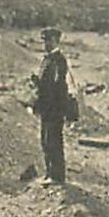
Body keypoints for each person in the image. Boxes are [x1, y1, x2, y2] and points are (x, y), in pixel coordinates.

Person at [31, 26, 74, 184]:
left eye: (49, 41)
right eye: (45, 41)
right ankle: (49, 173)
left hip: (54, 108)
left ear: (56, 41)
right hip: (46, 107)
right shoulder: (47, 59)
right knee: (45, 140)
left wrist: (40, 84)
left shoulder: (58, 60)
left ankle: (57, 176)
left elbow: (56, 86)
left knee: (54, 140)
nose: (46, 44)